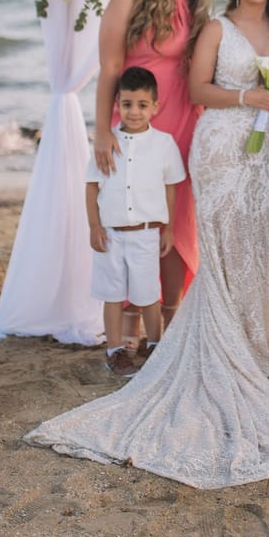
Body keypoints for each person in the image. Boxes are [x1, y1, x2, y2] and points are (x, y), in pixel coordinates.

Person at [25, 0, 269, 488]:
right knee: (221, 243)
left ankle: (258, 340)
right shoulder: (214, 28)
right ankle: (199, 335)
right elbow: (199, 88)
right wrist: (248, 97)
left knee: (258, 244)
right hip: (221, 146)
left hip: (265, 151)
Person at [93, 0, 213, 333]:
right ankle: (129, 329)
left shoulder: (195, 3)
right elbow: (109, 66)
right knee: (134, 217)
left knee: (176, 221)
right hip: (134, 123)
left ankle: (170, 326)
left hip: (181, 123)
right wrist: (103, 131)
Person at [86, 66, 186, 377]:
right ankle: (115, 350)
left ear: (155, 106)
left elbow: (171, 186)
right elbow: (91, 185)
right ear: (117, 104)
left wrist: (167, 228)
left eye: (142, 105)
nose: (134, 111)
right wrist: (94, 226)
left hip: (146, 234)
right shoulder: (107, 143)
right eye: (127, 104)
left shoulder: (164, 144)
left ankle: (156, 344)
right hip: (111, 235)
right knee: (113, 295)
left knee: (147, 296)